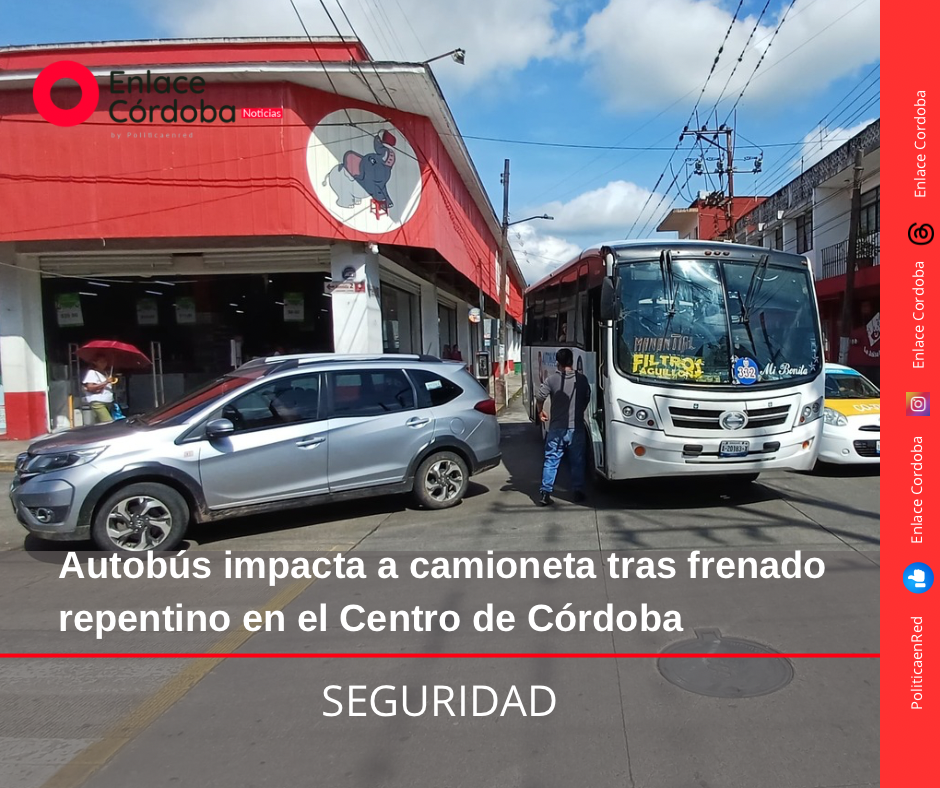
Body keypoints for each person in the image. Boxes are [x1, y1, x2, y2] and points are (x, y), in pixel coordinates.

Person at [535, 347, 591, 506]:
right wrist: (579, 411)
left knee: (551, 460)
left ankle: (545, 493)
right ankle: (578, 491)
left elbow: (540, 396)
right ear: (572, 361)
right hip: (576, 428)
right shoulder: (582, 380)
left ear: (557, 362)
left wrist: (540, 411)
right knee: (577, 461)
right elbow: (587, 398)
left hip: (556, 428)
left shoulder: (552, 380)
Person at [83, 355, 116, 424]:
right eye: (101, 362)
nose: (103, 363)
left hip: (107, 401)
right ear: (95, 362)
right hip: (98, 401)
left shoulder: (105, 373)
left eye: (105, 362)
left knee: (100, 424)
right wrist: (106, 382)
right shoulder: (92, 372)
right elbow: (90, 387)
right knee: (108, 422)